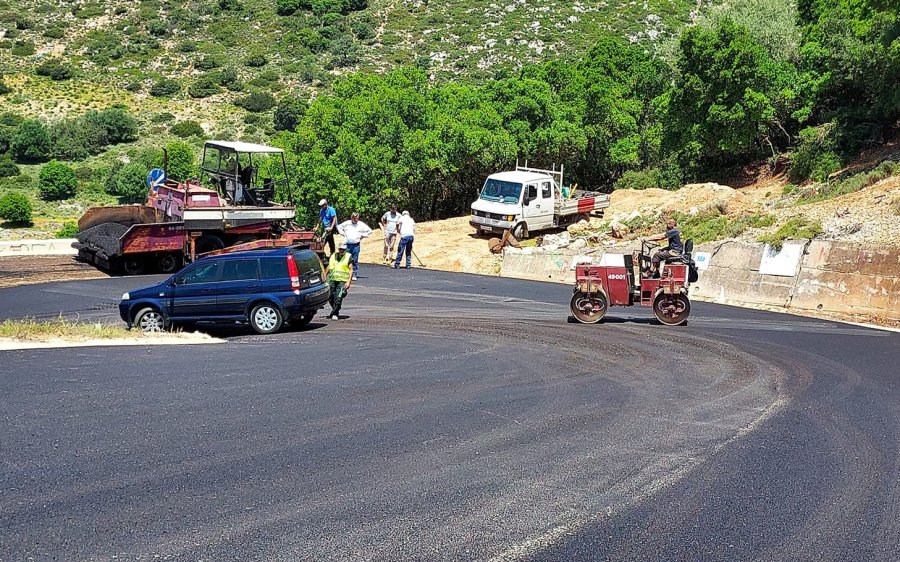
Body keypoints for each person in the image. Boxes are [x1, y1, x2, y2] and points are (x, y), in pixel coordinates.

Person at [337, 212, 373, 281]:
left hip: (356, 244)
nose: (356, 220)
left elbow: (369, 231)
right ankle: (345, 273)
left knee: (354, 259)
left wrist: (363, 235)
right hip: (347, 244)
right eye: (354, 218)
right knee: (346, 258)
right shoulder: (347, 223)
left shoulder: (361, 224)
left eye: (357, 218)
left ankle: (354, 274)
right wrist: (343, 233)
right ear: (352, 218)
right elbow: (339, 227)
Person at [323, 242, 352, 320]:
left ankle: (335, 313)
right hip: (332, 279)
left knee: (338, 297)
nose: (341, 251)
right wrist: (324, 276)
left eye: (343, 249)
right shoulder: (333, 256)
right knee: (329, 296)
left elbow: (350, 270)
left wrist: (349, 282)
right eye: (340, 249)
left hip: (343, 280)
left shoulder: (348, 257)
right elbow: (329, 266)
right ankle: (335, 309)